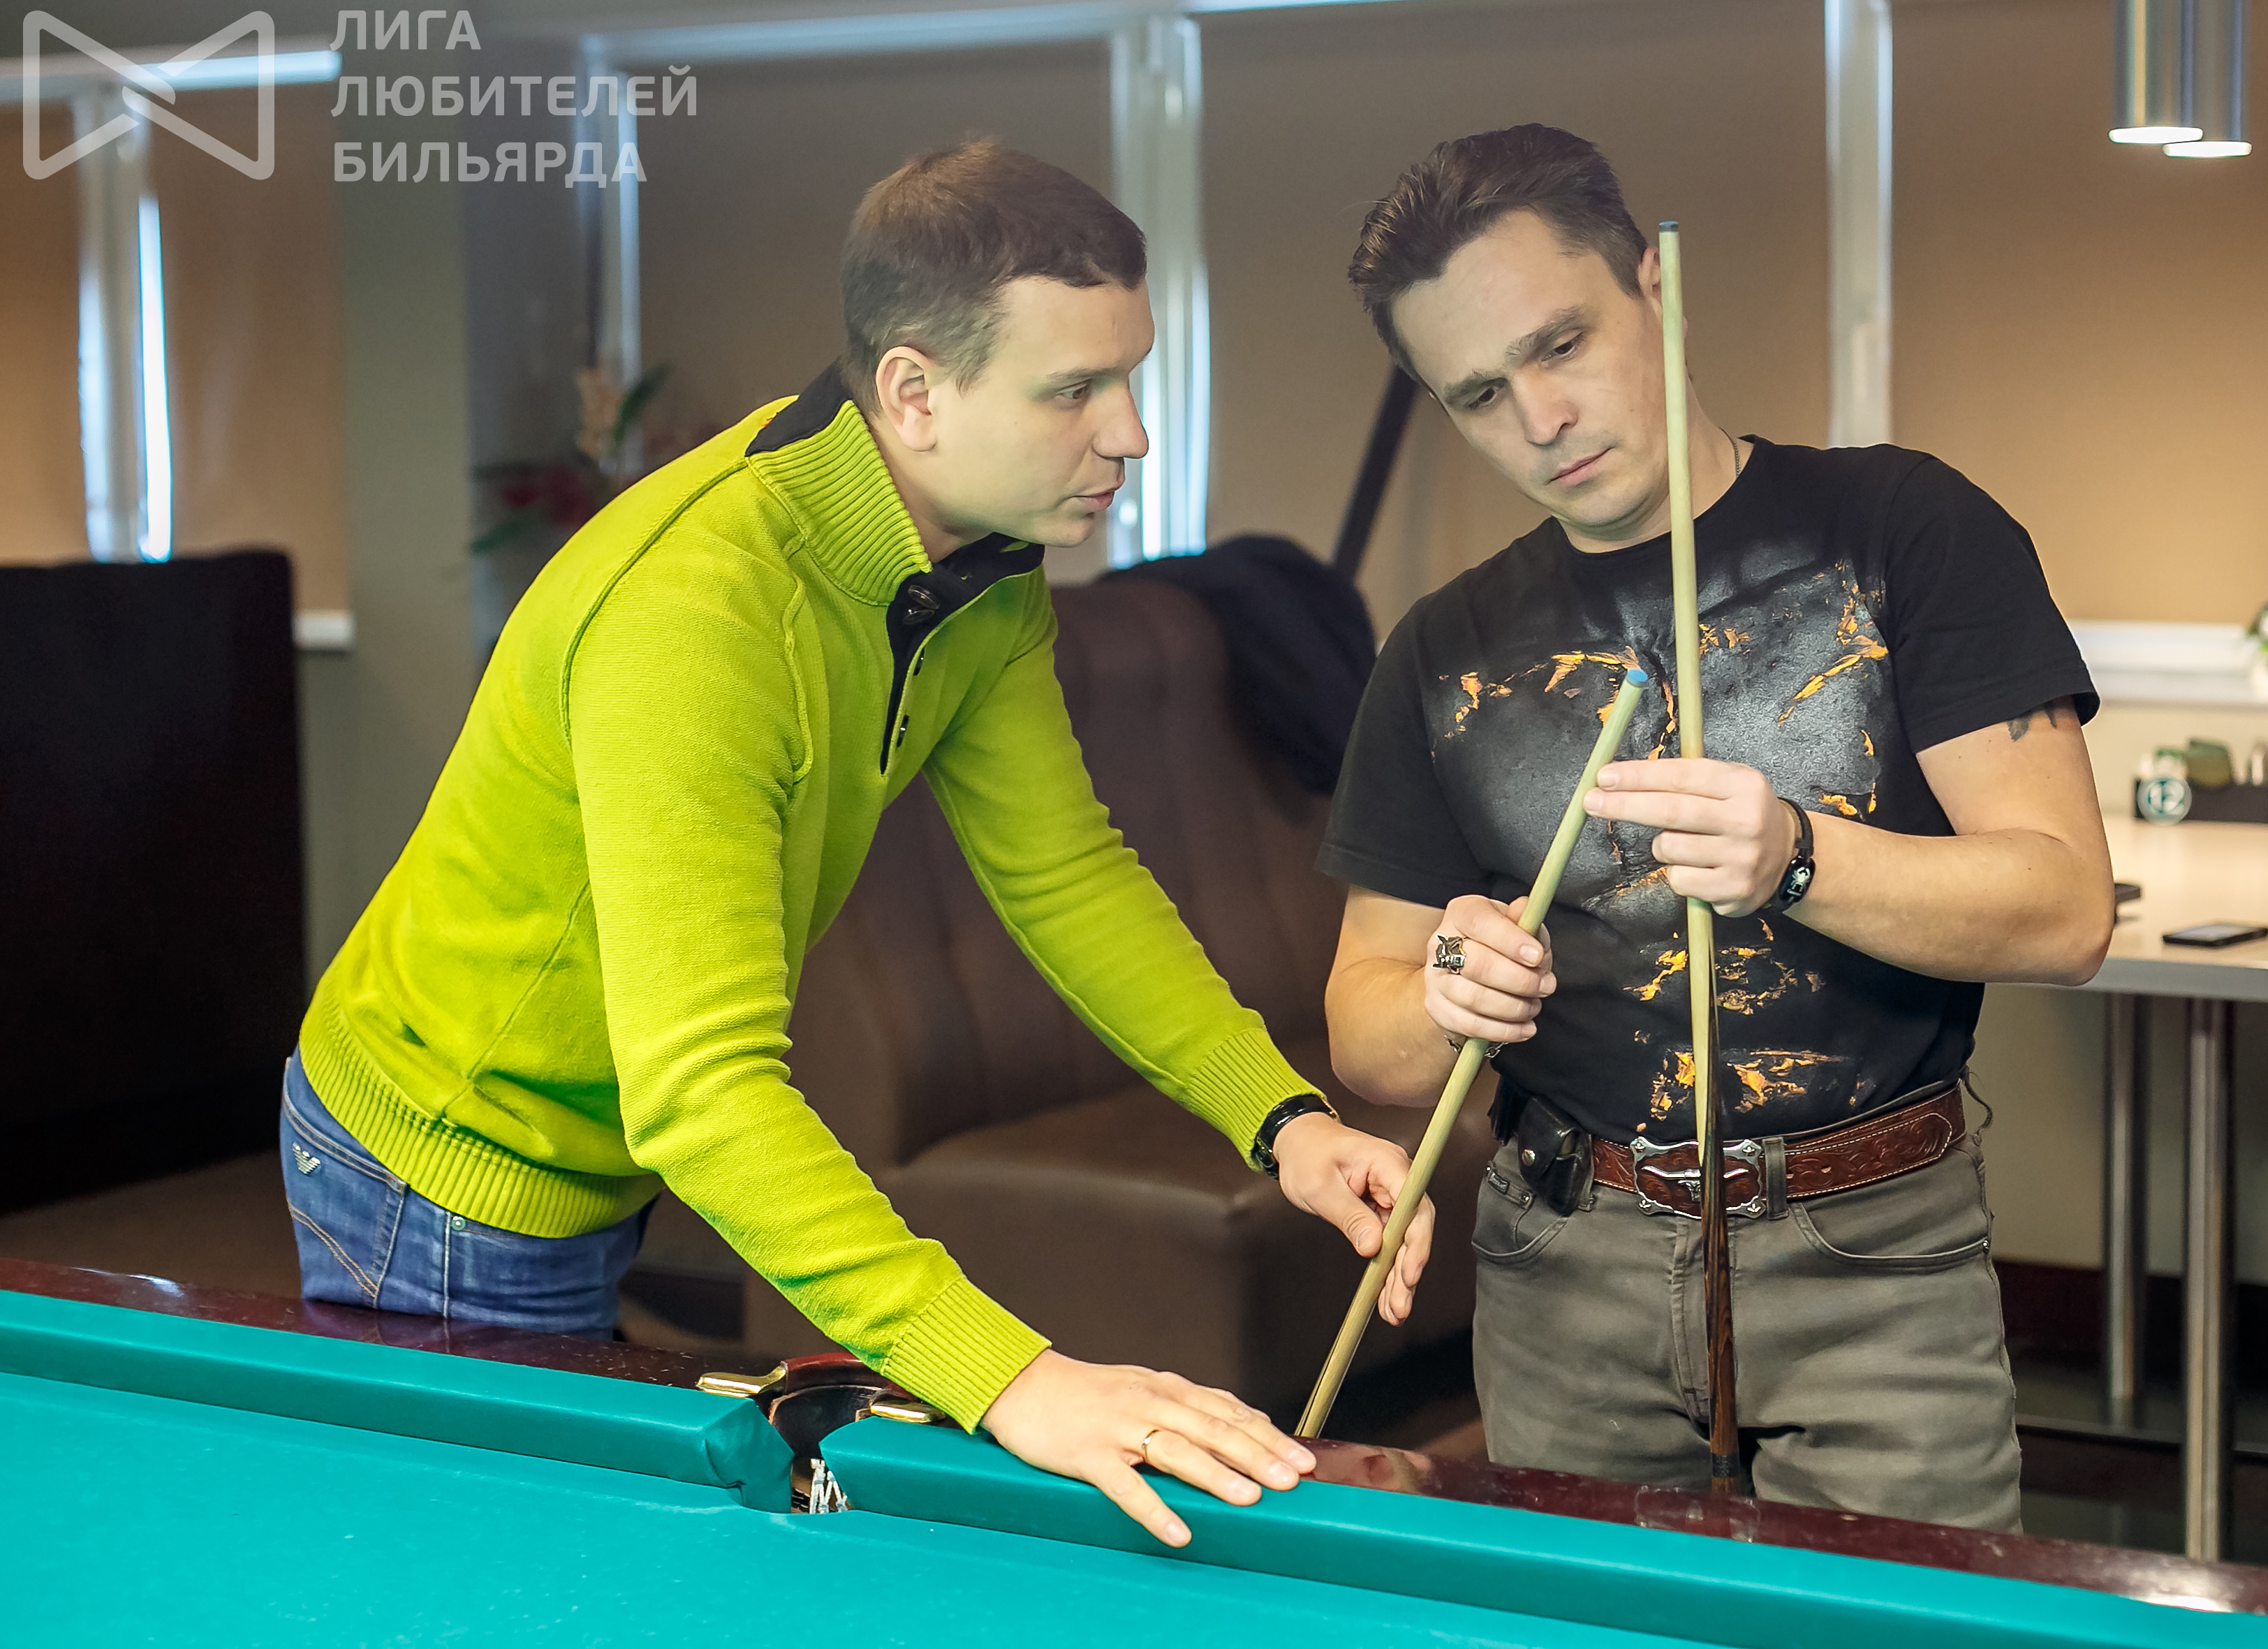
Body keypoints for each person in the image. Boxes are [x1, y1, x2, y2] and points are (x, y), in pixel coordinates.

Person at [284, 140, 1434, 1548]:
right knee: (495, 1577)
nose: (1129, 433)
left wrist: (1283, 1119)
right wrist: (1012, 1374)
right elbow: (705, 1093)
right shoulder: (701, 615)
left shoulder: (982, 570)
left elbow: (1065, 874)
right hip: (445, 1164)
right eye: (1074, 389)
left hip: (598, 1141)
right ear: (913, 392)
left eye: (1129, 376)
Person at [1318, 126, 2112, 1530]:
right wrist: (1446, 993)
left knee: (1892, 1629)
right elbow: (1362, 1029)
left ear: (1652, 285)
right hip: (1564, 1260)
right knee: (1584, 1627)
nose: (1540, 418)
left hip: (1873, 1250)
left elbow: (2065, 912)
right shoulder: (1440, 651)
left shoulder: (1906, 528)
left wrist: (1795, 856)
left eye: (1562, 343)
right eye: (1480, 394)